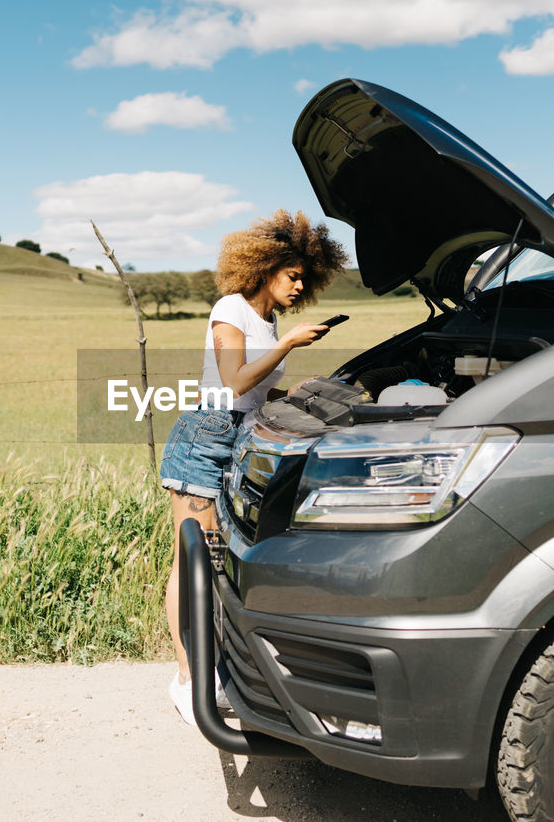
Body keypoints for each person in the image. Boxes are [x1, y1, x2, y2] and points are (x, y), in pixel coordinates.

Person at [158, 209, 347, 724]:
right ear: (263, 269)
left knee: (221, 564)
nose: (299, 284)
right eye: (292, 275)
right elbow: (233, 381)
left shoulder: (268, 320)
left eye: (304, 277)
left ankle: (215, 669)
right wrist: (287, 346)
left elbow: (257, 390)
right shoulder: (231, 309)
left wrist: (295, 391)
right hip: (207, 435)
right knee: (190, 560)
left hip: (241, 437)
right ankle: (185, 679)